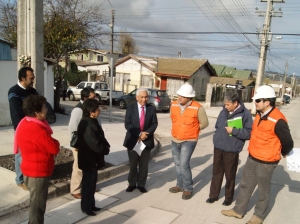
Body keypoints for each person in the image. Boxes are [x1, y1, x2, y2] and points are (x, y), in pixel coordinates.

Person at [221, 85, 294, 224]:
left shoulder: (278, 120)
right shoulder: (260, 115)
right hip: (252, 157)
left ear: (267, 102)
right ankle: (238, 211)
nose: (255, 102)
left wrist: (283, 152)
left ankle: (258, 217)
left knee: (263, 192)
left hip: (267, 162)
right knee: (245, 186)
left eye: (258, 100)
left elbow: (288, 143)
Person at [15, 95, 60, 223]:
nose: (46, 109)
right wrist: (55, 142)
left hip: (30, 170)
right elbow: (54, 148)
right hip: (37, 173)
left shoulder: (26, 122)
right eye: (44, 107)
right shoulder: (37, 129)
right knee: (37, 207)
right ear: (37, 112)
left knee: (35, 202)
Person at [206, 92, 252, 206]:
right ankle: (213, 195)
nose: (225, 107)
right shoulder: (223, 111)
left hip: (232, 149)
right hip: (219, 147)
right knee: (216, 172)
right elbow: (217, 126)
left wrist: (234, 131)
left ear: (235, 103)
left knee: (230, 175)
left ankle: (228, 198)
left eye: (228, 104)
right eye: (225, 104)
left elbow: (249, 133)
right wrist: (216, 138)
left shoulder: (245, 114)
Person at [169, 83, 209, 200]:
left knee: (183, 164)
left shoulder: (198, 108)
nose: (179, 98)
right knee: (177, 164)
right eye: (179, 95)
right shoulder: (174, 105)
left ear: (189, 98)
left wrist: (193, 129)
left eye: (182, 96)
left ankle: (188, 188)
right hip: (175, 138)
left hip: (189, 140)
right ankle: (179, 185)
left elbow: (205, 123)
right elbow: (173, 118)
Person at [77, 98, 110, 216]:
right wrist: (104, 149)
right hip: (88, 160)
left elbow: (100, 136)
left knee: (92, 183)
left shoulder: (92, 121)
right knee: (88, 184)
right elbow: (94, 143)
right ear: (91, 112)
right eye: (97, 109)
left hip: (93, 160)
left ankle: (91, 204)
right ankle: (86, 207)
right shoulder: (86, 124)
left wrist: (106, 145)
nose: (99, 111)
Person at [8, 66, 38, 190]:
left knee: (31, 152)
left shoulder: (33, 91)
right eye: (31, 78)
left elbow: (39, 105)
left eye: (33, 78)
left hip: (34, 127)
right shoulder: (13, 91)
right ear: (22, 78)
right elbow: (19, 112)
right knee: (20, 153)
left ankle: (29, 175)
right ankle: (19, 179)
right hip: (21, 127)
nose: (33, 80)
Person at [68, 86, 102, 199]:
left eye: (95, 97)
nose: (95, 99)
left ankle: (89, 186)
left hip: (91, 144)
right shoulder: (78, 110)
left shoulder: (92, 108)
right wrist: (76, 145)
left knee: (91, 167)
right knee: (78, 167)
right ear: (85, 97)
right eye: (92, 97)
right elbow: (73, 128)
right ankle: (75, 189)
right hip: (81, 145)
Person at [123, 87, 158, 193]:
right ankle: (132, 183)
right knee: (133, 164)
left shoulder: (151, 109)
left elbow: (154, 123)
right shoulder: (130, 108)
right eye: (142, 97)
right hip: (134, 140)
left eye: (146, 97)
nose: (144, 99)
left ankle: (141, 184)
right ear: (137, 97)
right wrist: (139, 133)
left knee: (144, 165)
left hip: (146, 140)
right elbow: (127, 124)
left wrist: (145, 134)